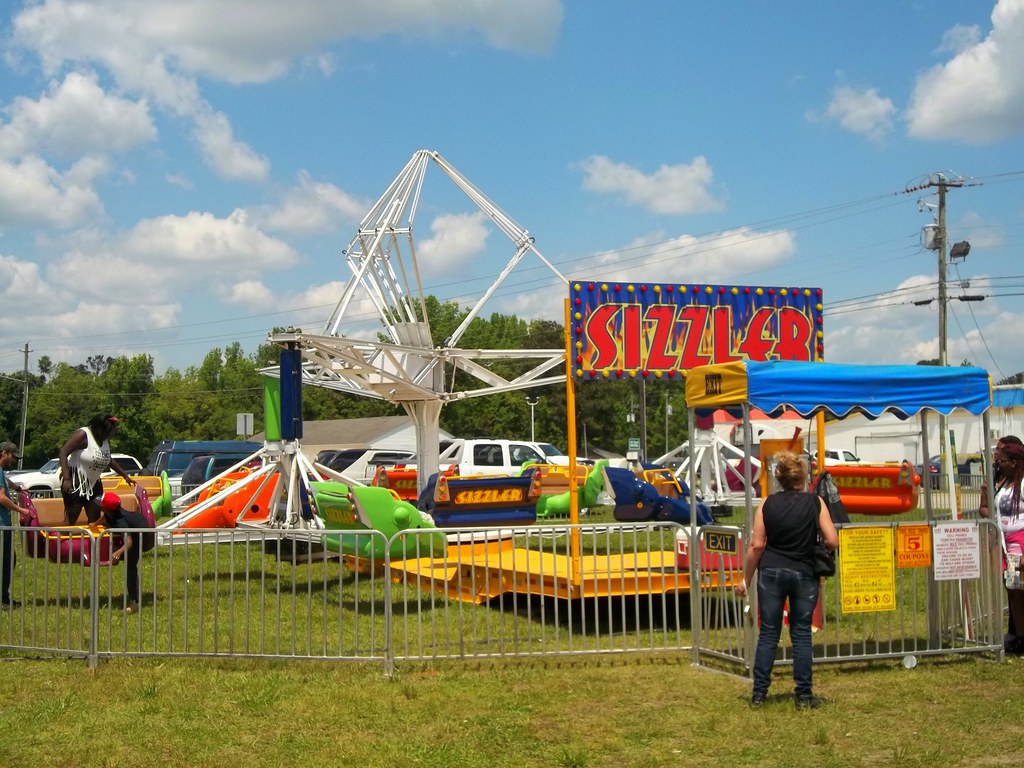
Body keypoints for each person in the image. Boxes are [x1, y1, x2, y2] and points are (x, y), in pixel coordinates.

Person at [734, 451, 838, 709]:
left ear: (779, 478)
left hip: (771, 571)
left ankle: (759, 694)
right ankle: (803, 696)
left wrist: (745, 579)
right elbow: (832, 540)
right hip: (804, 571)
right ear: (802, 478)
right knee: (801, 633)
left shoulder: (767, 504)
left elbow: (757, 545)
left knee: (769, 633)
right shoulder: (815, 503)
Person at [980, 435, 1023, 652]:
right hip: (1007, 546)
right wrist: (985, 495)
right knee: (1013, 590)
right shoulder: (1002, 482)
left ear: (1014, 462)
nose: (998, 460)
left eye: (1002, 457)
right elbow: (989, 511)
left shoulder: (1022, 482)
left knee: (1019, 590)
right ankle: (1019, 637)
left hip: (1020, 544)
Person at [58, 413, 135, 526]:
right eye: (106, 432)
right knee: (71, 519)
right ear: (98, 428)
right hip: (76, 481)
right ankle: (60, 542)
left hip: (94, 483)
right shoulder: (83, 435)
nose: (108, 435)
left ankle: (93, 543)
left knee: (95, 518)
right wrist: (66, 479)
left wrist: (125, 475)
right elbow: (63, 453)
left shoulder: (103, 440)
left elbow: (108, 460)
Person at [97, 491, 150, 614]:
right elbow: (105, 517)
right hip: (134, 523)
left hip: (139, 534)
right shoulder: (113, 513)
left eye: (101, 504)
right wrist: (94, 524)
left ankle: (134, 602)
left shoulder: (121, 522)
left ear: (106, 508)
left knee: (130, 566)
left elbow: (129, 543)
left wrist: (118, 553)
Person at [0, 441, 30, 609]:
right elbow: (1, 497)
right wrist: (21, 510)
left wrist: (18, 488)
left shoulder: (1, 471)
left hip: (3, 523)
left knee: (8, 560)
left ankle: (4, 597)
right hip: (1, 524)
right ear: (4, 453)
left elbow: (6, 481)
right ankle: (3, 600)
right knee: (5, 561)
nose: (13, 460)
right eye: (12, 456)